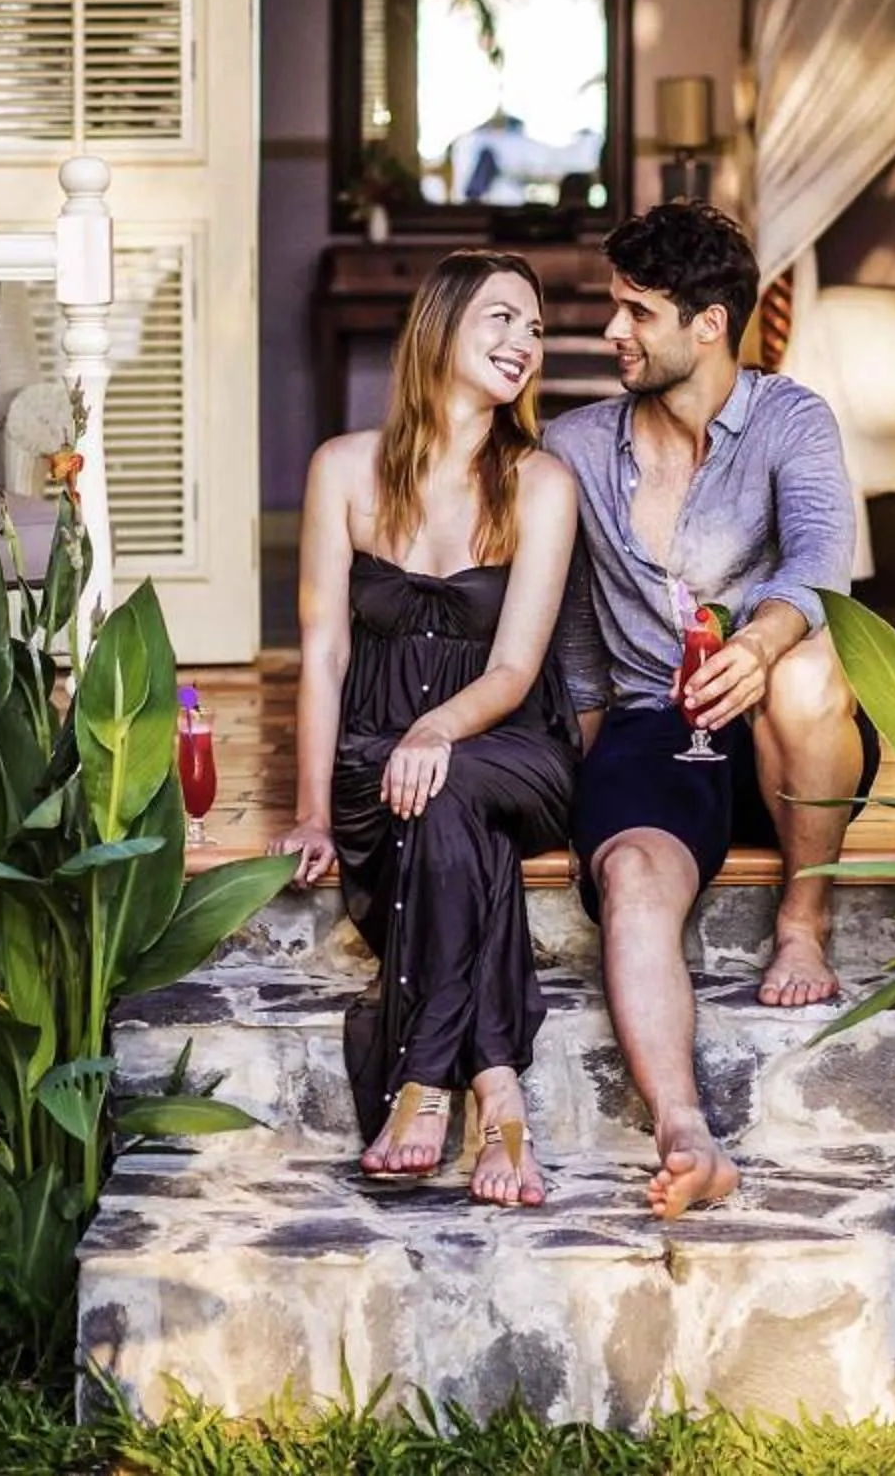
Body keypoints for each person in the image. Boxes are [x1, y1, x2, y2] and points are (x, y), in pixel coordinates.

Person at [544, 202, 875, 1219]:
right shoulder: (574, 447)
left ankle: (803, 923)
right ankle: (687, 1132)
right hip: (656, 724)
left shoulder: (791, 419)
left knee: (809, 671)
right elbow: (571, 630)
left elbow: (823, 562)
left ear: (709, 324)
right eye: (615, 309)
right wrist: (589, 770)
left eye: (636, 313)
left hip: (782, 727)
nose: (612, 334)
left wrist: (760, 642)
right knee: (634, 874)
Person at [274, 252, 582, 1208]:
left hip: (511, 745)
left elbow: (516, 669)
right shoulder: (342, 468)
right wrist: (314, 812)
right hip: (378, 748)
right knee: (445, 822)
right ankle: (497, 1089)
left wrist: (437, 731)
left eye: (533, 328)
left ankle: (419, 1083)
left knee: (447, 790)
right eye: (500, 319)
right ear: (439, 327)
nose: (522, 344)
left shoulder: (542, 483)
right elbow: (323, 650)